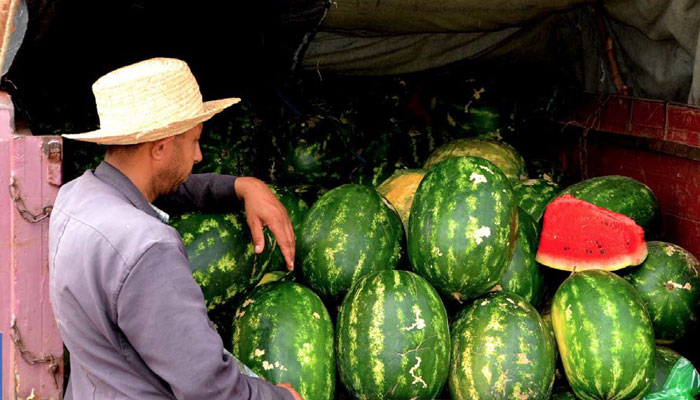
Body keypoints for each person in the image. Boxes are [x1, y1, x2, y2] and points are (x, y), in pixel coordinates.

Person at [49, 57, 302, 400]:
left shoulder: (75, 198)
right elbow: (209, 389)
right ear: (161, 148)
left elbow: (166, 187)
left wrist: (239, 186)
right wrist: (282, 397)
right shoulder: (148, 248)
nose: (198, 155)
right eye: (194, 140)